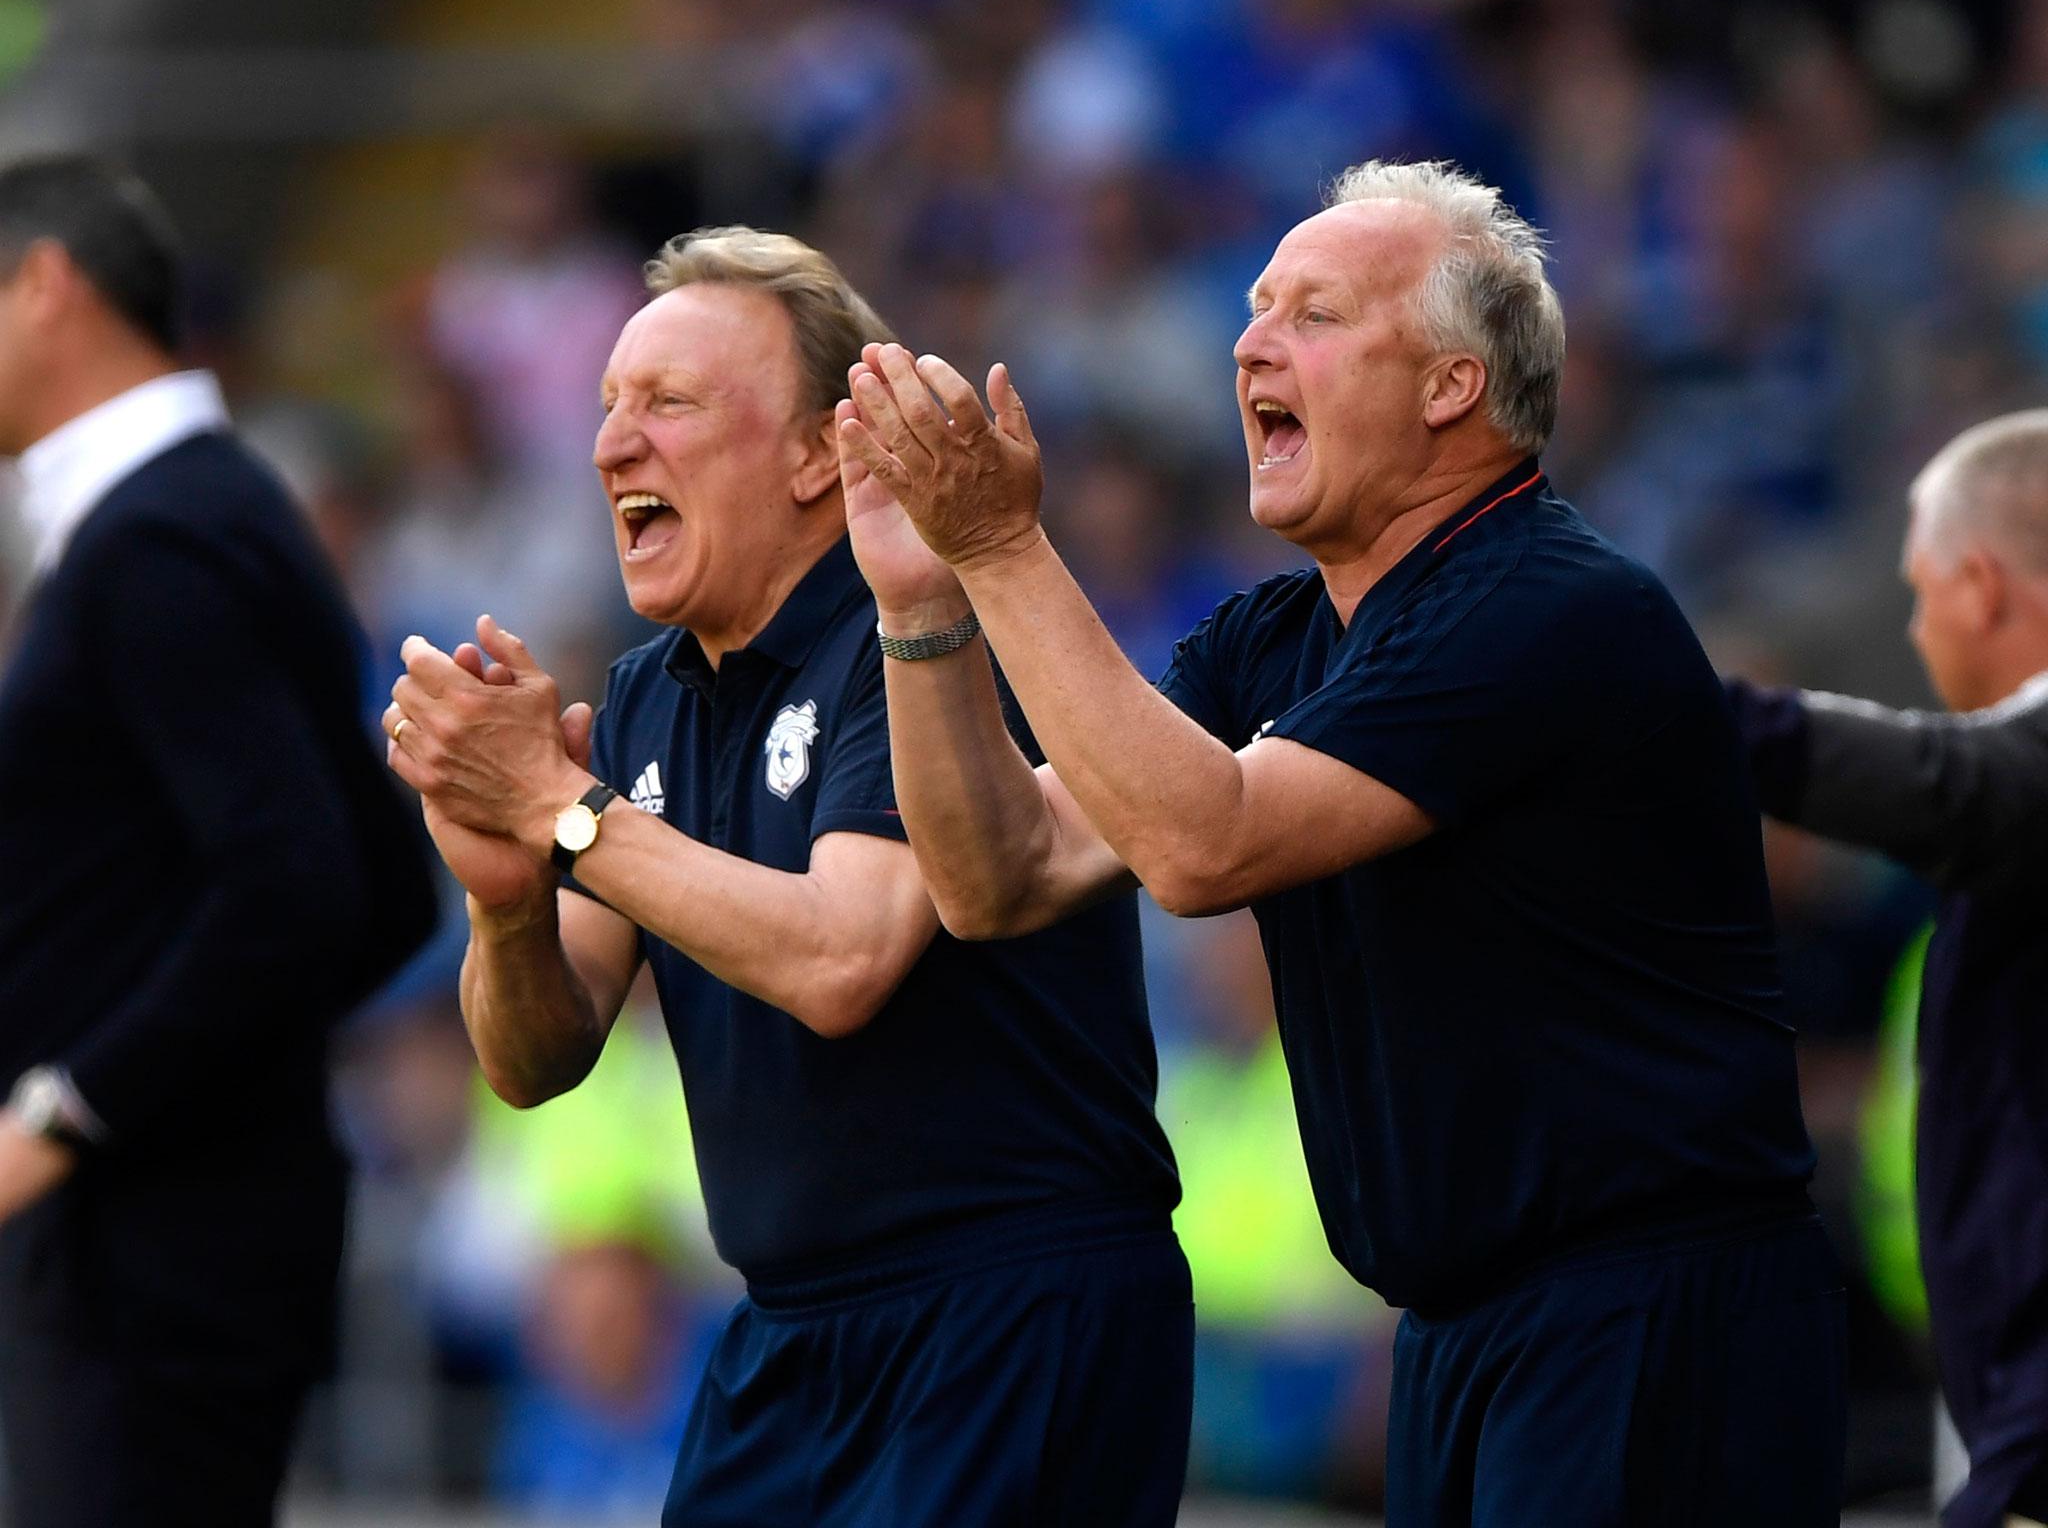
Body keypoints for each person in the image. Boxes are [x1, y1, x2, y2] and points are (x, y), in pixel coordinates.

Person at [838, 158, 1845, 1524]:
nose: (1251, 342)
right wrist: (923, 602)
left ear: (1451, 384)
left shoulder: (1549, 606)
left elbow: (1202, 849)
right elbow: (995, 875)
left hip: (1649, 1317)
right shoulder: (1273, 637)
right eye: (1254, 309)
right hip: (1455, 1333)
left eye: (1315, 315)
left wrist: (1007, 548)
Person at [382, 226, 1191, 1528]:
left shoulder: (925, 636)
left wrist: (563, 810)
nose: (611, 447)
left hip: (1004, 1311)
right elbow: (531, 1060)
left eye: (671, 405)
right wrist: (507, 895)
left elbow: (841, 960)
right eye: (606, 409)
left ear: (824, 451)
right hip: (788, 1333)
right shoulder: (647, 697)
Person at [0, 155, 438, 1527]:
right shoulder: (207, 511)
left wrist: (73, 1103)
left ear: (46, 287)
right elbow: (373, 893)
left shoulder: (162, 538)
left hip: (152, 1255)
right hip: (179, 1239)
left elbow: (303, 887)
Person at [1727, 410, 2048, 1528]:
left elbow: (1943, 780)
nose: (1915, 631)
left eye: (1920, 593)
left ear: (1980, 585)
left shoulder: (2020, 780)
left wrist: (1649, 693)